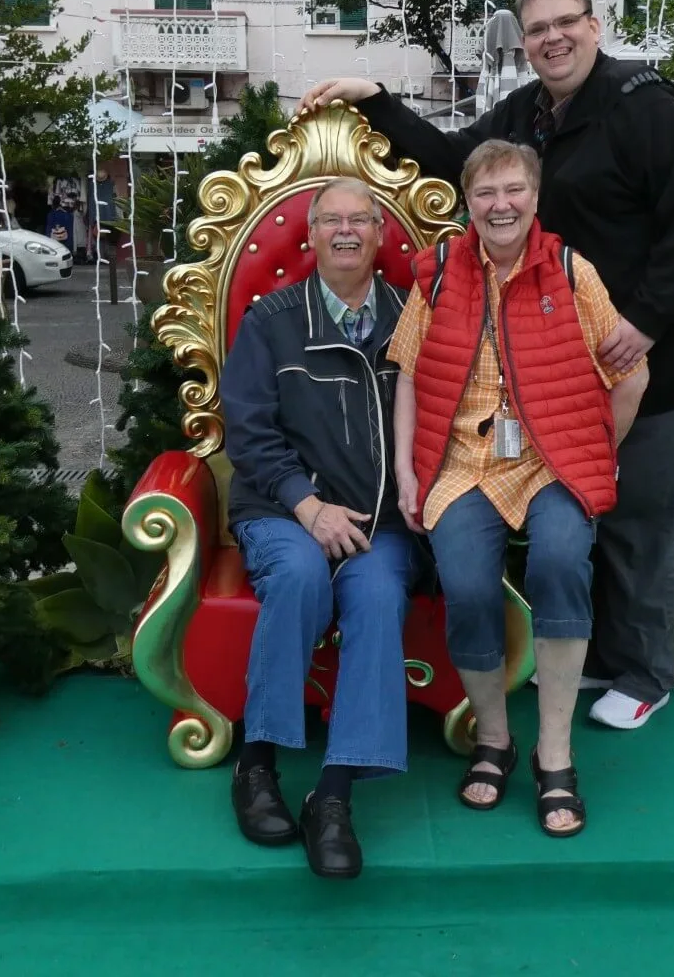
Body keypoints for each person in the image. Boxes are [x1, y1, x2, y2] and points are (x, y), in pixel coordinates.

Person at [300, 0, 674, 730]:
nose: (553, 38)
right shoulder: (529, 114)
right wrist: (375, 99)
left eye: (566, 22)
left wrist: (647, 319)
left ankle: (647, 671)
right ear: (524, 43)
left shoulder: (644, 107)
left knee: (644, 514)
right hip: (586, 356)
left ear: (594, 27)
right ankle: (599, 653)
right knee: (594, 505)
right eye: (537, 29)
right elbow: (452, 160)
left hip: (669, 350)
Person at [389, 140, 648, 837]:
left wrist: (597, 455)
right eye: (485, 193)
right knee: (469, 586)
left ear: (535, 198)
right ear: (468, 202)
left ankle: (555, 750)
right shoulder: (440, 270)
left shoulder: (571, 271)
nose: (499, 205)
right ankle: (495, 737)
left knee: (562, 561)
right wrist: (409, 471)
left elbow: (632, 376)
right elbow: (409, 372)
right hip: (462, 460)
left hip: (550, 459)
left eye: (513, 191)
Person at [219, 176, 423, 880]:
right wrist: (307, 506)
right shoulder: (270, 320)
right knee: (302, 573)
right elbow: (245, 431)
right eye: (330, 220)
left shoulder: (412, 319)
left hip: (381, 521)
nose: (344, 231)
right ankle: (257, 762)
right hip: (282, 511)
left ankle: (331, 797)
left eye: (358, 220)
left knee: (374, 596)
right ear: (309, 237)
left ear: (379, 235)